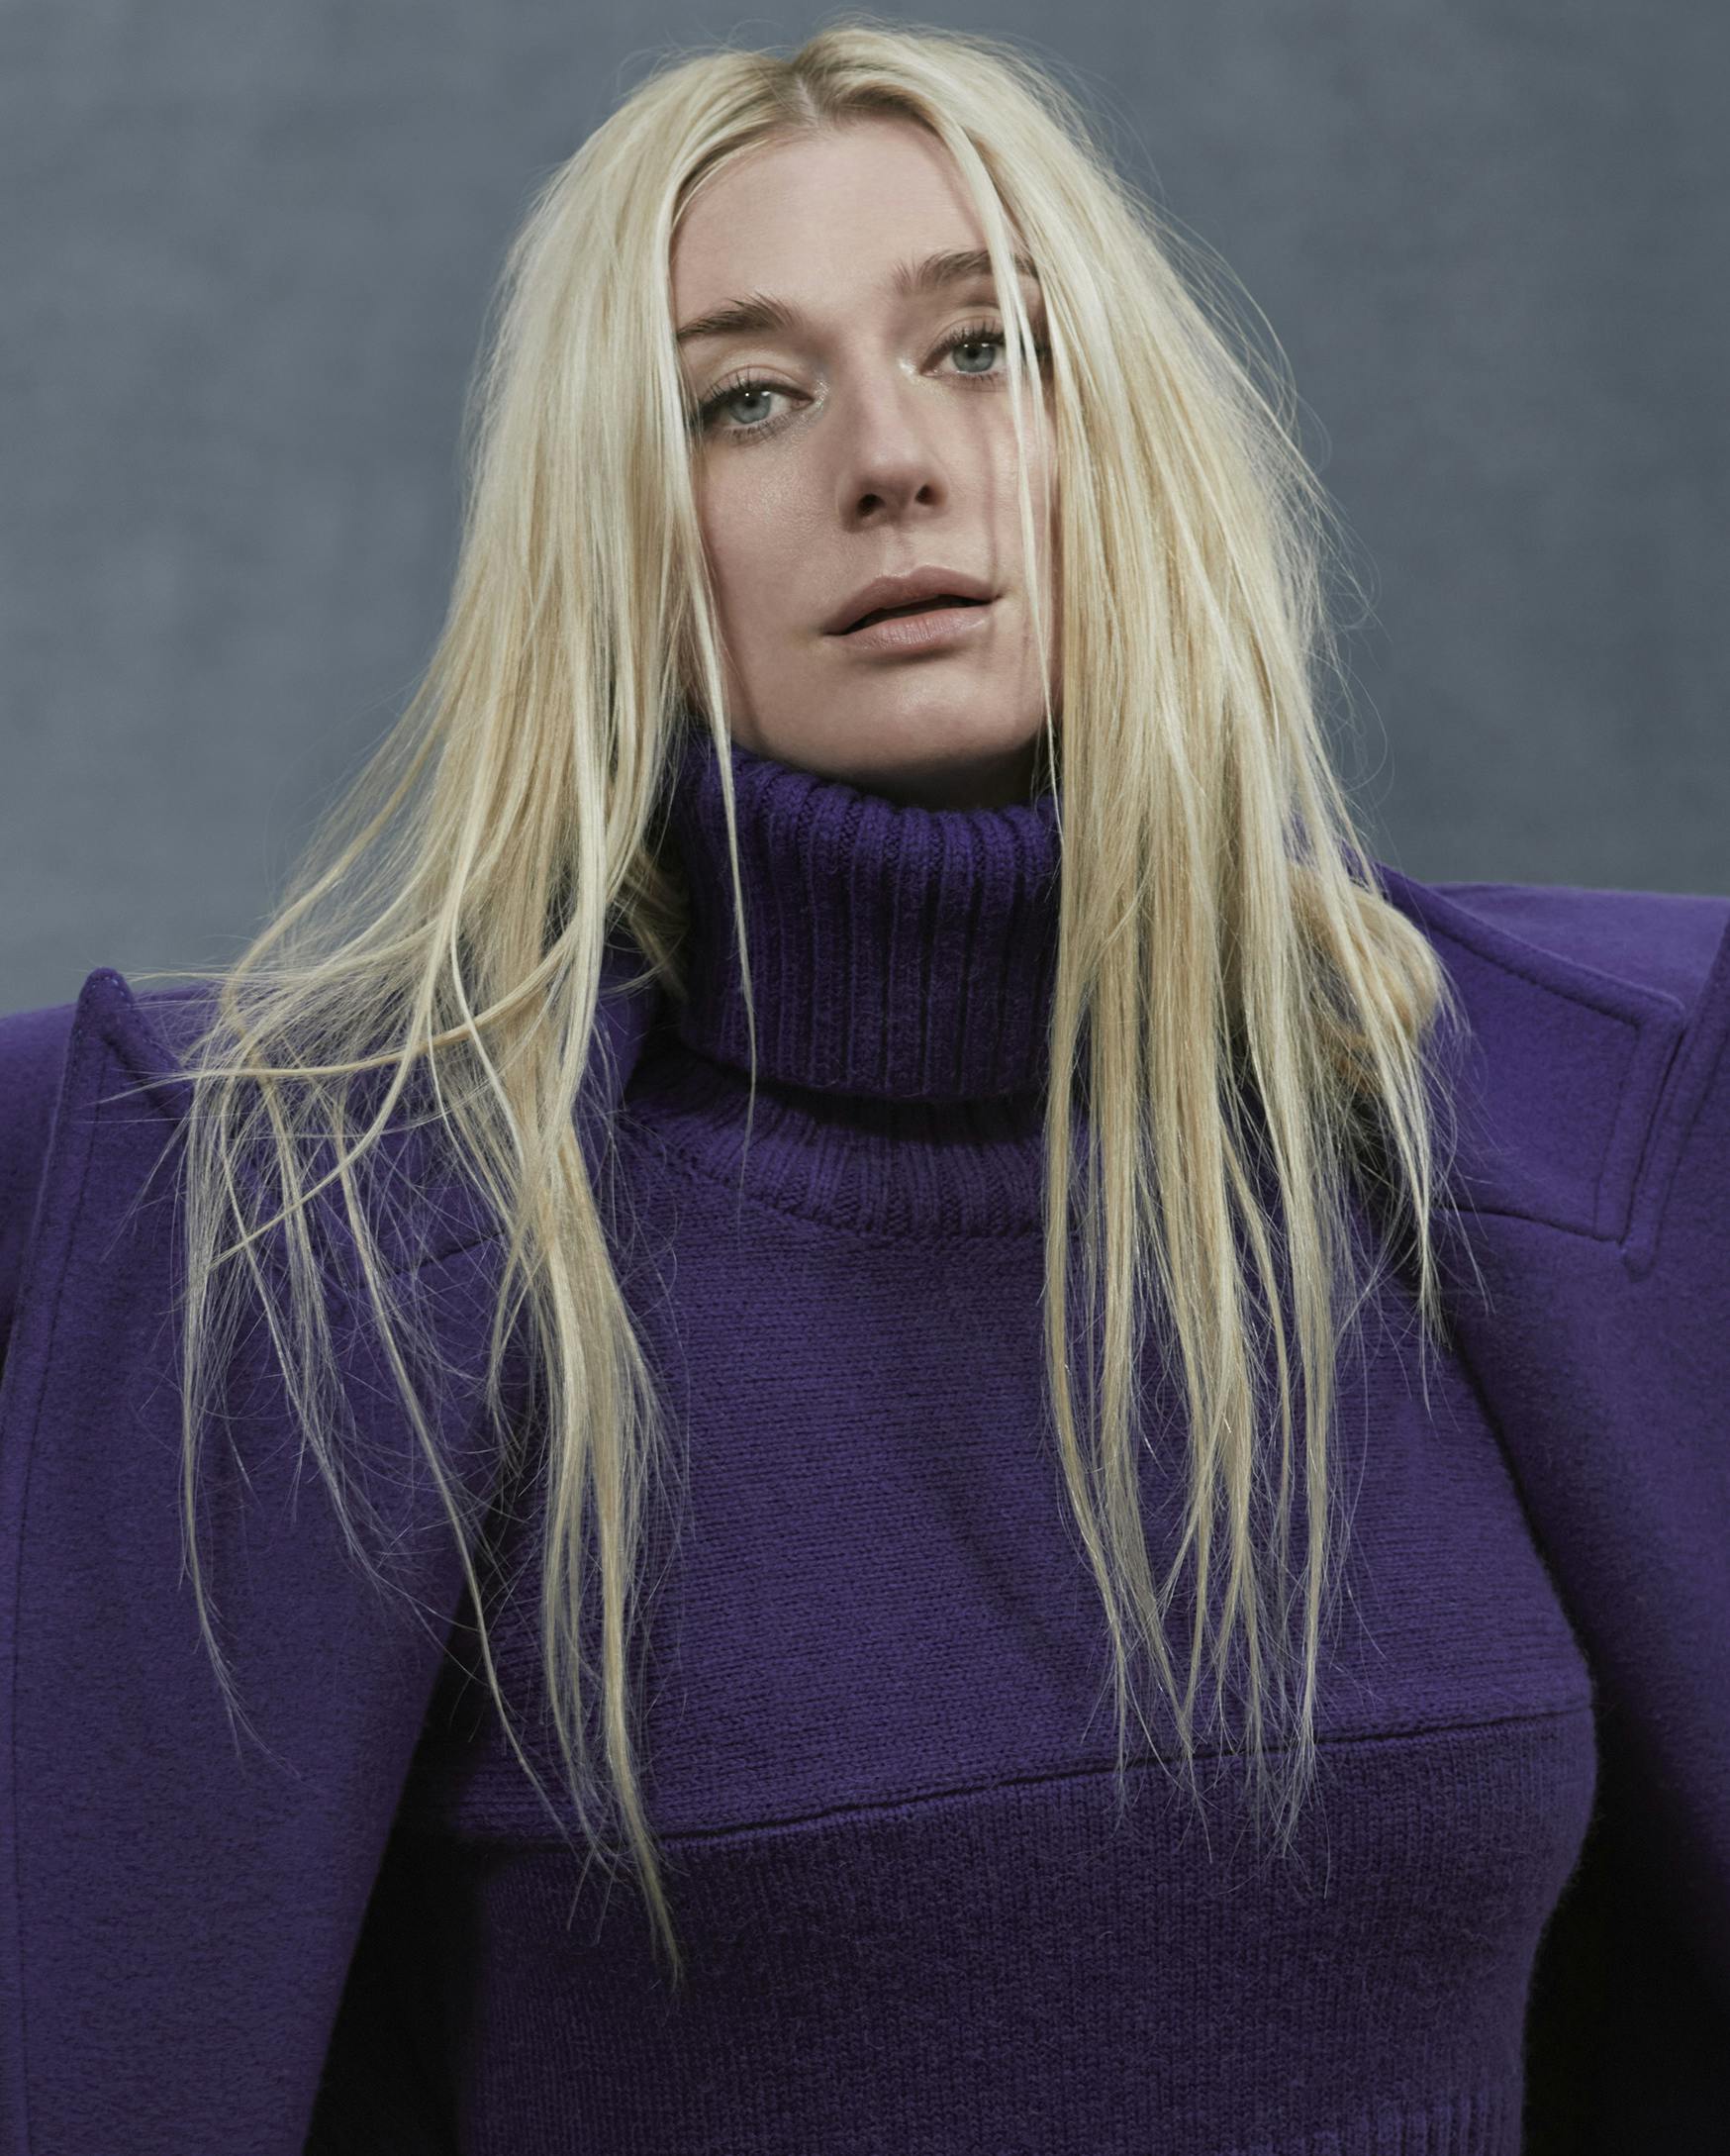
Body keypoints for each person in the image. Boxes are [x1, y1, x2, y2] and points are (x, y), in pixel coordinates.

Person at [2, 21, 1726, 2155]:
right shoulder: (269, 1214)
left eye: (985, 349)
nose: (893, 460)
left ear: (1134, 436)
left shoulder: (1610, 1127)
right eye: (745, 396)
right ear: (614, 532)